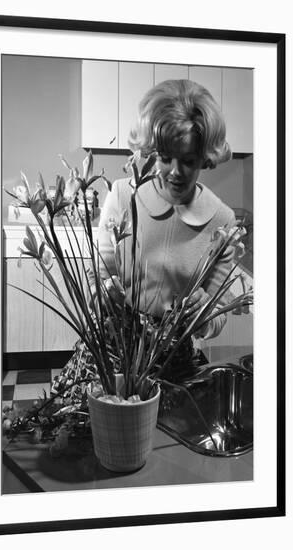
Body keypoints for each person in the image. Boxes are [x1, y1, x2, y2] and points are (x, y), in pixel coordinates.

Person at [51, 79, 236, 400]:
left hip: (173, 368)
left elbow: (219, 308)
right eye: (165, 157)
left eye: (188, 160)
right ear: (150, 152)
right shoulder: (122, 196)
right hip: (107, 361)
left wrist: (205, 311)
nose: (175, 171)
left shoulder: (222, 220)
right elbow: (99, 275)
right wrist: (104, 295)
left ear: (206, 157)